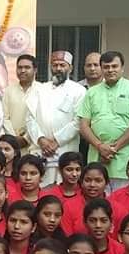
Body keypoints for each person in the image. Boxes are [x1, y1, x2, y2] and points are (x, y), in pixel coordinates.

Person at [78, 51, 129, 188]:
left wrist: (113, 149)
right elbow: (83, 126)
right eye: (106, 67)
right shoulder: (92, 92)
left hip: (125, 160)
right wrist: (100, 147)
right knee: (97, 198)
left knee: (123, 198)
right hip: (97, 158)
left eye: (114, 66)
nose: (110, 70)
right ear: (102, 69)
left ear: (122, 68)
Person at [26, 50, 86, 186]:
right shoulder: (39, 89)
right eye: (55, 65)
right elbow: (30, 118)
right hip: (41, 149)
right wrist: (41, 139)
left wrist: (56, 141)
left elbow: (78, 121)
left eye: (62, 65)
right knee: (39, 187)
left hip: (65, 149)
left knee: (64, 188)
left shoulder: (79, 90)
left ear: (70, 68)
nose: (58, 68)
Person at [2, 54, 39, 150]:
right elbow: (5, 118)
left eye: (27, 67)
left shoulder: (42, 90)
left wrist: (26, 138)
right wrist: (14, 138)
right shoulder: (8, 91)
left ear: (35, 70)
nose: (22, 70)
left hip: (35, 143)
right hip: (13, 145)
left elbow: (43, 119)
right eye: (20, 67)